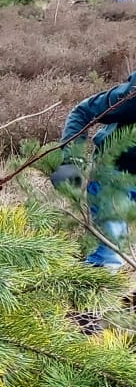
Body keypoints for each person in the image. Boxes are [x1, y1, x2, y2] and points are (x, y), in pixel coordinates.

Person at [51, 70, 136, 267]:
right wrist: (71, 161)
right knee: (110, 257)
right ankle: (90, 290)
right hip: (114, 174)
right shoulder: (131, 98)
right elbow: (83, 111)